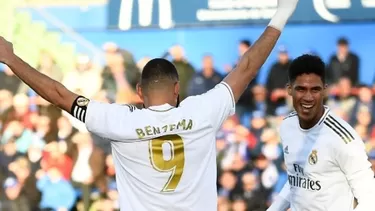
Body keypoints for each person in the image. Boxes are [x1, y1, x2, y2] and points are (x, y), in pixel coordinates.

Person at [0, 0, 299, 210]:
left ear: (140, 92)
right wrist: (281, 15)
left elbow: (58, 93)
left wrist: (11, 58)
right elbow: (246, 66)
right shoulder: (203, 112)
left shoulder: (117, 121)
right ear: (177, 88)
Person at [267, 54, 375, 211]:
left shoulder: (343, 139)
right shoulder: (287, 126)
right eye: (301, 89)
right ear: (289, 90)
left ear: (325, 90)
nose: (308, 97)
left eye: (315, 89)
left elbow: (370, 198)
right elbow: (296, 179)